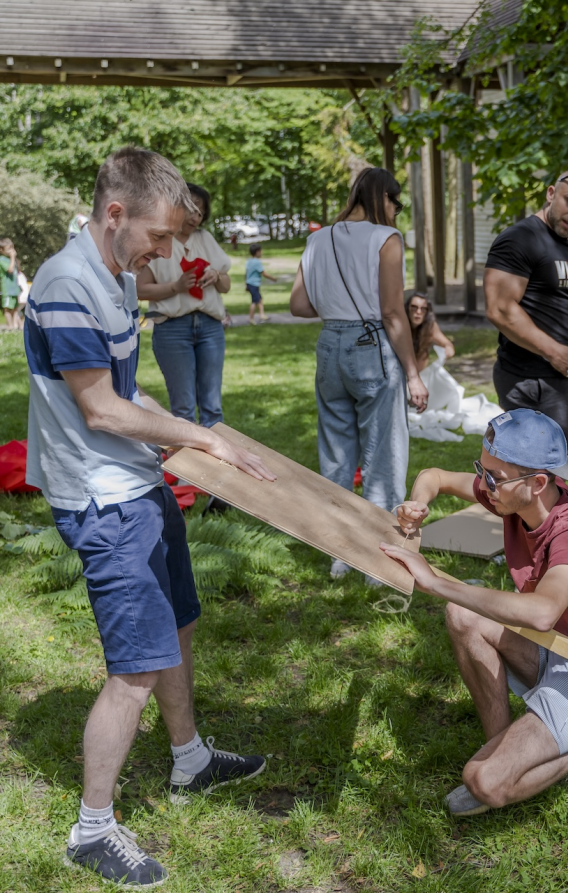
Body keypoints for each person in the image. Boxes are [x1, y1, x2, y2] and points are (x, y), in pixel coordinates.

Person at [24, 147, 277, 887]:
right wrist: (199, 434)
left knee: (180, 622)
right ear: (114, 214)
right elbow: (100, 407)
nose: (166, 253)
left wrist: (202, 435)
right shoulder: (68, 281)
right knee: (134, 668)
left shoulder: (112, 273)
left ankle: (190, 758)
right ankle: (91, 827)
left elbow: (133, 393)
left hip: (139, 482)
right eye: (158, 237)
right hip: (103, 500)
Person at [381, 408, 568, 817]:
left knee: (483, 781)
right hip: (559, 651)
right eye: (481, 471)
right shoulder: (511, 496)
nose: (484, 486)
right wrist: (416, 506)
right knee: (462, 615)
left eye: (494, 477)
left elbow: (542, 612)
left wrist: (435, 581)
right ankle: (502, 749)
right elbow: (433, 475)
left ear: (538, 483)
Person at [290, 167, 428, 582]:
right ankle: (376, 558)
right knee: (383, 454)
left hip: (330, 343)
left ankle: (339, 553)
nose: (396, 209)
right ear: (382, 197)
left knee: (336, 451)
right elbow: (391, 311)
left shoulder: (317, 239)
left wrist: (336, 308)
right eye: (396, 201)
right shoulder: (386, 239)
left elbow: (298, 305)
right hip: (371, 346)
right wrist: (412, 373)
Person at [485, 168, 568, 457]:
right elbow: (500, 309)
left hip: (558, 381)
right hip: (528, 381)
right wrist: (554, 352)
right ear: (551, 194)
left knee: (558, 472)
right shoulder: (519, 239)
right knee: (534, 478)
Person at [136, 183, 232, 427]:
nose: (196, 217)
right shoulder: (158, 241)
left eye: (201, 212)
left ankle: (218, 464)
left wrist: (217, 277)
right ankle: (187, 464)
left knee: (213, 407)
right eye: (191, 209)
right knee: (184, 408)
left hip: (210, 326)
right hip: (173, 329)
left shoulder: (205, 239)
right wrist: (175, 287)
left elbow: (226, 285)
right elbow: (140, 289)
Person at [404, 291, 455, 370]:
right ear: (408, 308)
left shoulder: (429, 326)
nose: (418, 312)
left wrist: (448, 349)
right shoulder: (401, 323)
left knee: (424, 351)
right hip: (398, 366)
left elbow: (447, 344)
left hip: (418, 369)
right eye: (414, 307)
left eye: (423, 309)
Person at [246, 242, 276, 324]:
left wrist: (246, 284)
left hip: (250, 283)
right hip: (254, 284)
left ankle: (262, 315)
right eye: (260, 251)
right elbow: (263, 273)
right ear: (257, 252)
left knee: (259, 299)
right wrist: (272, 278)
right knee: (254, 301)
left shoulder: (249, 261)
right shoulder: (257, 262)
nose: (261, 253)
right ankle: (251, 318)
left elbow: (246, 273)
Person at [0, 238, 22, 329]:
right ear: (1, 250)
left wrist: (14, 258)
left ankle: (14, 325)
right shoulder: (2, 260)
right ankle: (10, 326)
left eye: (12, 248)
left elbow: (18, 271)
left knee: (15, 308)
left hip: (14, 288)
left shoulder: (11, 260)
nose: (11, 251)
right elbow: (10, 270)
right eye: (8, 249)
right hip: (7, 289)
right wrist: (13, 257)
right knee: (8, 308)